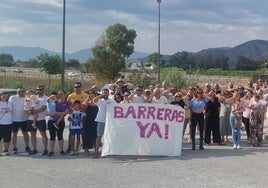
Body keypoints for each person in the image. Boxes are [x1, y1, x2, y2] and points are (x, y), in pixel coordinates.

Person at [66, 82, 88, 153]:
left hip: (83, 115)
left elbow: (88, 105)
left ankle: (83, 146)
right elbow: (68, 105)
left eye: (79, 87)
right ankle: (70, 147)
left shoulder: (85, 95)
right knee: (71, 134)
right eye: (76, 87)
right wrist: (71, 112)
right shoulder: (70, 96)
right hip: (73, 117)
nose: (77, 88)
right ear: (74, 88)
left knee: (82, 132)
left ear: (81, 87)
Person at [93, 88, 116, 158]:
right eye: (104, 93)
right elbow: (94, 100)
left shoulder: (112, 101)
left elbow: (118, 108)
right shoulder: (100, 101)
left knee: (111, 137)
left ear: (109, 93)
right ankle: (96, 152)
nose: (105, 94)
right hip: (101, 120)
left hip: (110, 121)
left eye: (106, 93)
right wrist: (100, 96)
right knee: (99, 136)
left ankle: (110, 151)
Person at [47, 90, 70, 156]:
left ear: (65, 94)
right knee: (52, 136)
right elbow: (48, 102)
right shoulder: (55, 101)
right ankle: (51, 151)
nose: (61, 95)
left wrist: (56, 113)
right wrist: (51, 96)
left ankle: (61, 150)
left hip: (60, 121)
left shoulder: (67, 103)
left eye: (62, 94)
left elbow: (65, 113)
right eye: (59, 94)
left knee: (60, 136)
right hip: (51, 120)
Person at [27, 85, 48, 155]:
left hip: (41, 119)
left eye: (41, 89)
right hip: (31, 119)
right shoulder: (33, 97)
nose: (39, 91)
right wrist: (28, 111)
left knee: (43, 134)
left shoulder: (46, 98)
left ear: (43, 90)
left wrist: (33, 112)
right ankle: (34, 149)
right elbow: (28, 106)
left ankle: (45, 149)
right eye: (37, 89)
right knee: (32, 134)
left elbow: (43, 108)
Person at [9, 87, 31, 154]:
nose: (20, 93)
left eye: (22, 91)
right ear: (17, 92)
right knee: (14, 134)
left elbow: (31, 106)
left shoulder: (27, 98)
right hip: (14, 120)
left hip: (24, 119)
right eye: (19, 92)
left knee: (25, 133)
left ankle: (27, 146)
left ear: (24, 92)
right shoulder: (12, 98)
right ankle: (14, 148)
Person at [82, 91, 98, 155]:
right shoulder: (87, 103)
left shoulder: (98, 103)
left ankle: (96, 149)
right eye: (90, 95)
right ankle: (86, 149)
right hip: (88, 120)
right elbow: (83, 106)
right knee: (87, 134)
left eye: (93, 95)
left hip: (96, 120)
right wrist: (88, 98)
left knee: (95, 134)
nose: (92, 96)